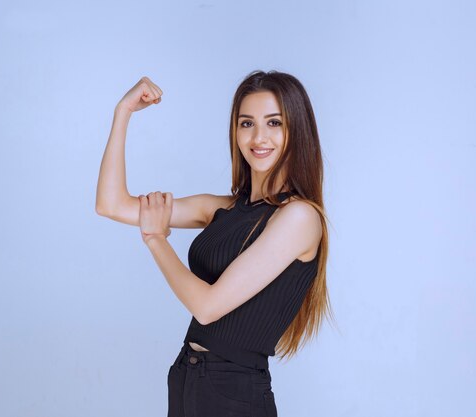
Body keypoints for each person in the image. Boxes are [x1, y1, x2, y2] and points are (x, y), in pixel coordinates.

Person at [96, 70, 335, 417]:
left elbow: (207, 307)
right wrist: (123, 113)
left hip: (233, 391)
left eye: (274, 123)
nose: (259, 137)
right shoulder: (221, 208)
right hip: (189, 377)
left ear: (296, 130)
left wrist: (155, 239)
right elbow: (111, 204)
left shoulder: (299, 218)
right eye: (247, 123)